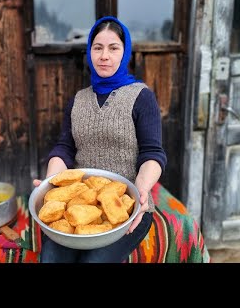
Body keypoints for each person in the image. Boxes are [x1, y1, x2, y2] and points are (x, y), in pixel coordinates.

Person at [33, 16, 167, 263]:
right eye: (98, 48)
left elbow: (153, 153)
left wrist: (141, 191)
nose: (104, 56)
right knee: (51, 258)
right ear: (89, 52)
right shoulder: (78, 100)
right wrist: (52, 183)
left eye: (113, 48)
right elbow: (64, 148)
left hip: (125, 204)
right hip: (81, 199)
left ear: (124, 52)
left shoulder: (141, 97)